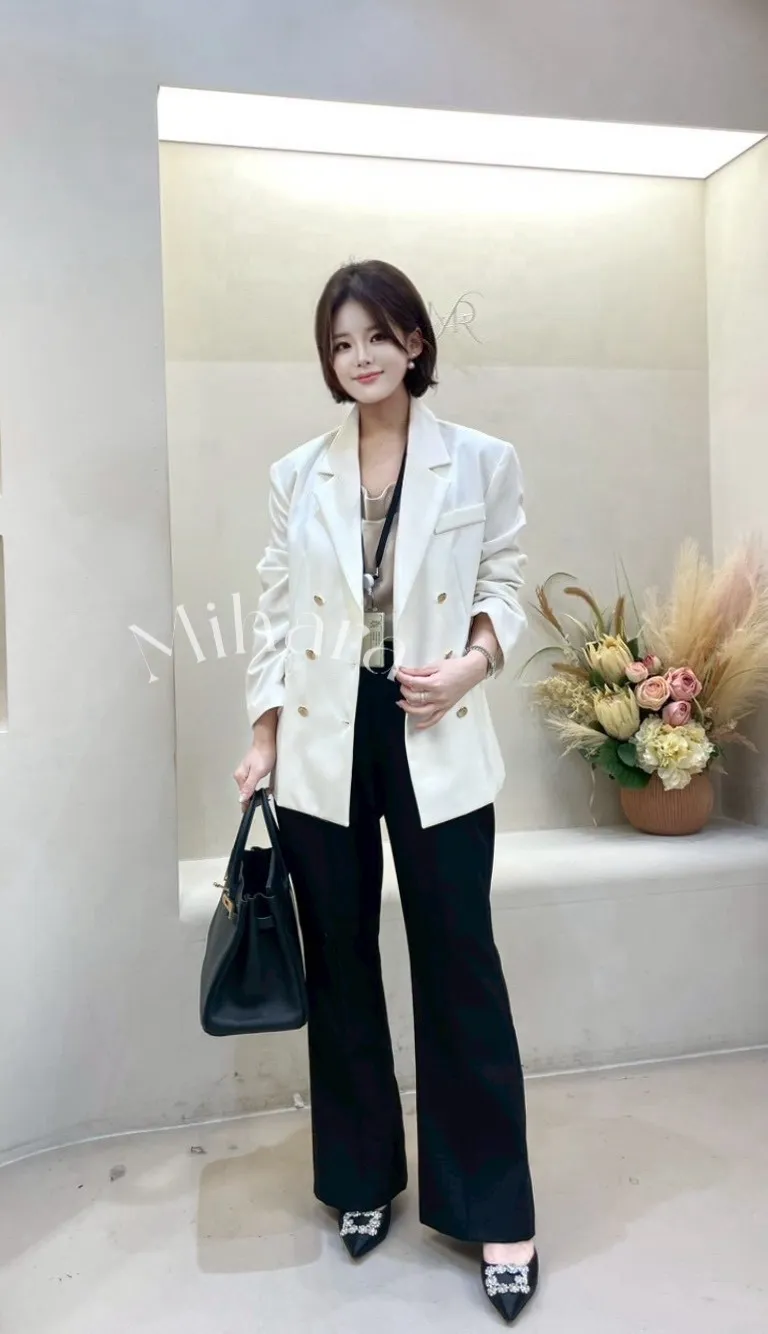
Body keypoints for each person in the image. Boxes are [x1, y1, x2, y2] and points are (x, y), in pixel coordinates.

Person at [234, 259, 537, 1323]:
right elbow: (278, 610)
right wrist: (264, 733)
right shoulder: (297, 472)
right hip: (326, 730)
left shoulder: (482, 459)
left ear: (414, 342)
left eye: (376, 336)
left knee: (460, 958)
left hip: (433, 719)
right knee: (341, 957)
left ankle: (495, 1207)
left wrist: (471, 666)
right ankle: (361, 1174)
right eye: (340, 342)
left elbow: (506, 582)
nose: (358, 357)